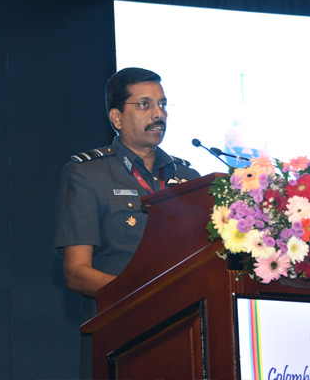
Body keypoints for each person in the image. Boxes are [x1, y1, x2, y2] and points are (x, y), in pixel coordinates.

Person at [53, 67, 200, 378]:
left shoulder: (190, 178)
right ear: (116, 118)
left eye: (162, 104)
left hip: (186, 333)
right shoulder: (87, 174)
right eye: (145, 104)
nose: (158, 114)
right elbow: (76, 272)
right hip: (121, 336)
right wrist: (143, 295)